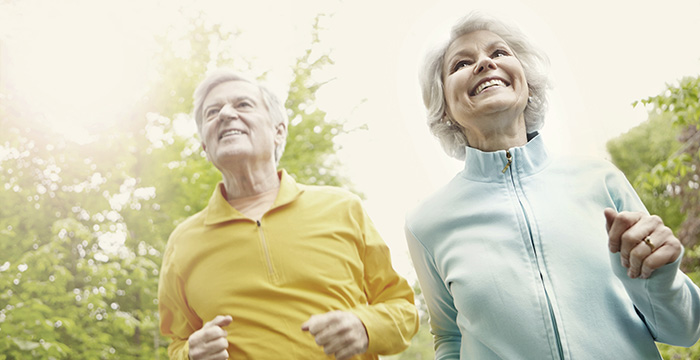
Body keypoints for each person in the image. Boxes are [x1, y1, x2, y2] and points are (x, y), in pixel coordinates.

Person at [404, 12, 700, 360]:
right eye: (461, 63)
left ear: (526, 80)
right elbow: (449, 338)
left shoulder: (600, 179)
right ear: (444, 107)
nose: (484, 63)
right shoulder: (426, 224)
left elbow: (684, 330)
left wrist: (661, 281)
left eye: (498, 53)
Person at [158, 69, 418, 360]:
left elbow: (403, 310)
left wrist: (365, 327)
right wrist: (190, 355)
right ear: (205, 146)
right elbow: (178, 341)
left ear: (278, 130)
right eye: (212, 111)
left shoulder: (343, 208)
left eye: (243, 104)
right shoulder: (182, 243)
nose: (226, 114)